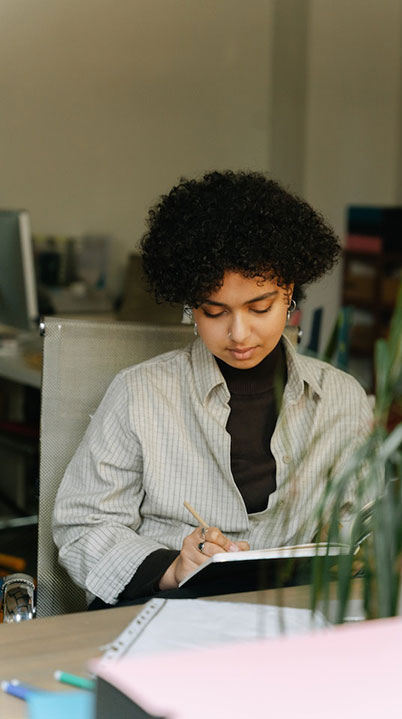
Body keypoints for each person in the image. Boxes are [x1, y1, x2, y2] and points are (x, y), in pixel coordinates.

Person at [53, 170, 373, 608]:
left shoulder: (341, 399)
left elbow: (361, 533)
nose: (239, 333)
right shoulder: (140, 393)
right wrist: (172, 568)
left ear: (290, 293)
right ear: (191, 306)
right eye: (214, 311)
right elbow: (82, 526)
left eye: (259, 307)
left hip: (285, 621)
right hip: (163, 613)